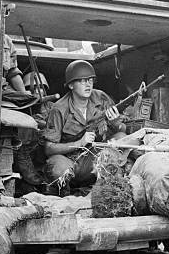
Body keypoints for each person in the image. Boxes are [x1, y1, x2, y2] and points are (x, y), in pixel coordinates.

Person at [43, 60, 126, 189]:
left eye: (90, 80)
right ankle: (63, 195)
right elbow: (49, 148)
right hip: (70, 160)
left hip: (94, 158)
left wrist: (115, 123)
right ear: (71, 85)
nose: (88, 84)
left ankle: (106, 190)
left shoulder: (101, 98)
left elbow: (122, 129)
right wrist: (80, 143)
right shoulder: (59, 109)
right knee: (58, 168)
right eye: (82, 81)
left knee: (121, 138)